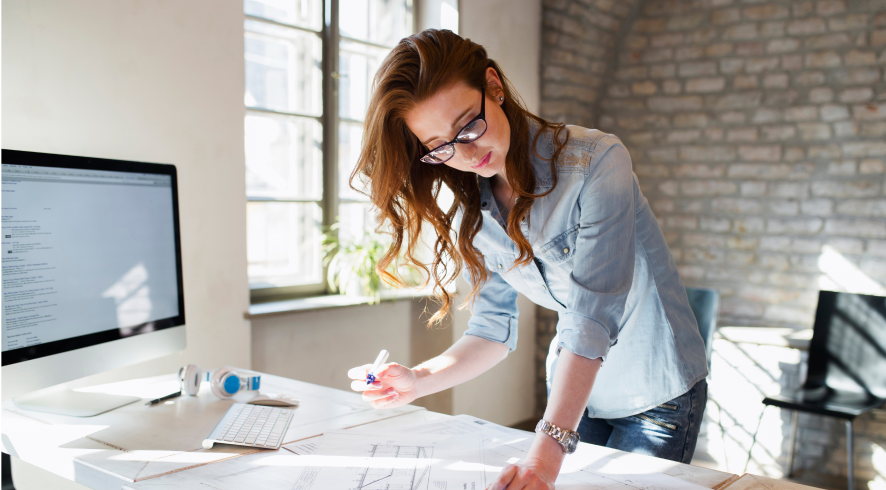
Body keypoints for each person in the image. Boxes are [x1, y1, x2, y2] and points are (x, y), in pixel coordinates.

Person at [346, 29, 709, 490]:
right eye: (441, 146)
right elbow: (492, 332)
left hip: (658, 391)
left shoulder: (598, 162)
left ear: (493, 86)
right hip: (580, 396)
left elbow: (591, 318)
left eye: (469, 126)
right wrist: (416, 380)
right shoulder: (477, 214)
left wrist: (547, 449)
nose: (466, 153)